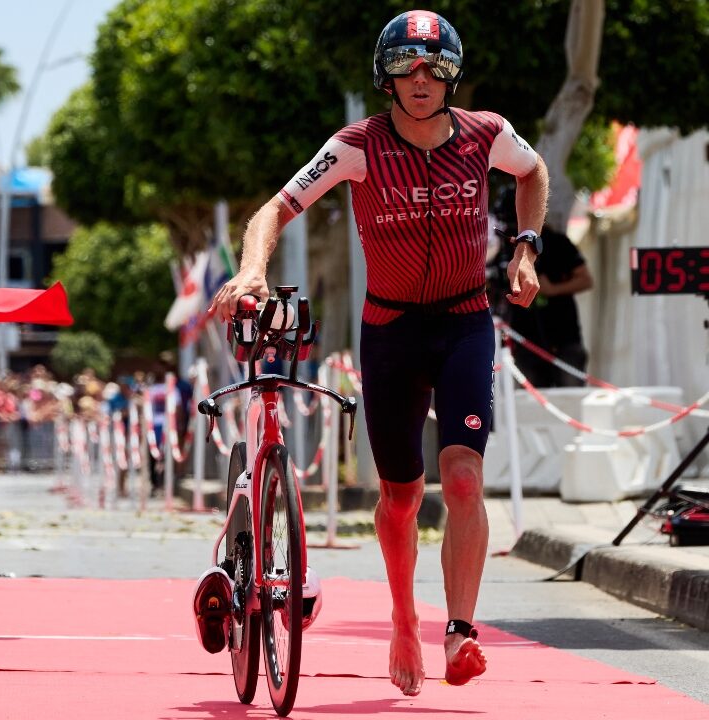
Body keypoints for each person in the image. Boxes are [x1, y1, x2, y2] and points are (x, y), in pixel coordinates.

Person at [209, 11, 549, 695]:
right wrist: (251, 269)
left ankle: (459, 632)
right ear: (385, 74)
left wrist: (526, 246)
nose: (419, 80)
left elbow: (534, 171)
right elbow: (273, 210)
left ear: (451, 73)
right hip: (390, 330)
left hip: (463, 322)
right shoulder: (358, 146)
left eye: (432, 67)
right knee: (400, 497)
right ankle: (401, 616)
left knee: (461, 480)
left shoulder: (486, 134)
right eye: (404, 66)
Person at [492, 184, 593, 387]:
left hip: (563, 337)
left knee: (569, 399)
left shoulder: (557, 243)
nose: (513, 231)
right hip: (525, 340)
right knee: (531, 406)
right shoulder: (502, 248)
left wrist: (552, 290)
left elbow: (586, 279)